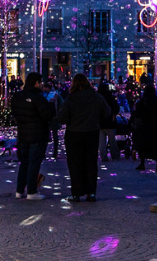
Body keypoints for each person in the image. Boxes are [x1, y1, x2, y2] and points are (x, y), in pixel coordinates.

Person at [56, 74, 111, 203]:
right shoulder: (96, 97)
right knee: (91, 162)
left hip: (74, 133)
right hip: (91, 132)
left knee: (75, 163)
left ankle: (76, 193)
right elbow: (107, 112)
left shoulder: (72, 98)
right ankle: (91, 192)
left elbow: (62, 118)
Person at [11, 72, 55, 200]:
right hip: (37, 133)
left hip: (23, 133)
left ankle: (19, 190)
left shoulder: (18, 97)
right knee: (34, 163)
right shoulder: (38, 98)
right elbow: (47, 114)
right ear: (36, 83)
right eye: (40, 82)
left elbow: (14, 113)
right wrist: (51, 105)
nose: (41, 85)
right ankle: (31, 191)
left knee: (24, 162)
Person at [132, 85, 157, 171]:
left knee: (143, 146)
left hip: (144, 128)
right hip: (155, 128)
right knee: (156, 147)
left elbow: (137, 114)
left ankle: (142, 163)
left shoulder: (142, 103)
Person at [97, 82, 121, 162]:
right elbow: (116, 107)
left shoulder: (98, 98)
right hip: (110, 121)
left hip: (100, 122)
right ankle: (114, 155)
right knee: (112, 140)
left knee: (101, 141)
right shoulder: (110, 97)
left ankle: (103, 156)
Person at [42, 81, 64, 158]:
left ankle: (45, 153)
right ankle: (54, 152)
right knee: (54, 136)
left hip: (48, 117)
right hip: (54, 117)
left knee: (46, 135)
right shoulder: (57, 95)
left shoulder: (44, 95)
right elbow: (62, 104)